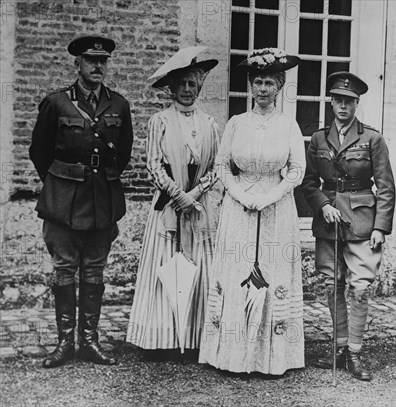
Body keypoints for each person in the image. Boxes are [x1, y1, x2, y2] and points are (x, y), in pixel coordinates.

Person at [199, 48, 306, 375]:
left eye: (269, 83)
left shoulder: (289, 125)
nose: (262, 89)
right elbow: (222, 165)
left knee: (271, 274)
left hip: (276, 210)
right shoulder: (236, 123)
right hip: (239, 208)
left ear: (279, 86)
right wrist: (239, 194)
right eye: (257, 82)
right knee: (238, 273)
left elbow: (296, 170)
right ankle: (232, 354)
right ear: (250, 85)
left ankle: (271, 358)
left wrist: (270, 196)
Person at [29, 35, 133, 367]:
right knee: (64, 269)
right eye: (91, 60)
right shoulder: (57, 103)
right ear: (78, 64)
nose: (98, 66)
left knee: (94, 270)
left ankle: (89, 341)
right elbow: (39, 151)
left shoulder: (119, 105)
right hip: (64, 200)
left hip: (103, 199)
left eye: (103, 61)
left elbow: (124, 153)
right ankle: (64, 343)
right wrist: (61, 183)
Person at [126, 47, 222, 353]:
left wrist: (194, 194)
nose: (186, 90)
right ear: (172, 88)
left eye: (192, 85)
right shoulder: (160, 121)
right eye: (181, 84)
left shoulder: (210, 124)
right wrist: (178, 195)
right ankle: (162, 338)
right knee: (166, 266)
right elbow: (153, 165)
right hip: (168, 205)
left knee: (198, 268)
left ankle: (195, 338)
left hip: (197, 207)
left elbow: (217, 167)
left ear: (198, 88)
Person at [301, 72, 395, 381]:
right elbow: (309, 183)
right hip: (328, 223)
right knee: (332, 286)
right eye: (338, 100)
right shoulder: (318, 139)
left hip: (361, 221)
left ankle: (355, 352)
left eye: (349, 101)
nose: (343, 106)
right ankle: (339, 347)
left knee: (360, 288)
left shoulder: (372, 139)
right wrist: (323, 205)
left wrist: (381, 226)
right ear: (331, 102)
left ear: (357, 103)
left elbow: (386, 186)